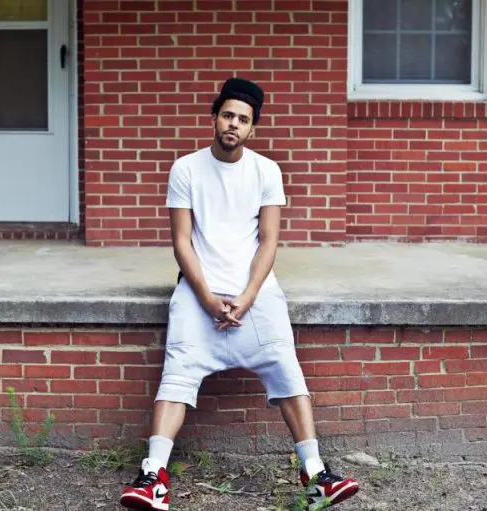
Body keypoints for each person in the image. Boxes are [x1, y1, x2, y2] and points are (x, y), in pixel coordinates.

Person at [119, 77, 360, 511]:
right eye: (227, 115)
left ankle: (316, 476)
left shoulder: (266, 171)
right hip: (199, 292)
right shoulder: (186, 169)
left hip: (255, 292)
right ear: (214, 118)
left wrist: (247, 297)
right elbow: (181, 242)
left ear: (253, 128)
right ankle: (152, 478)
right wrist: (207, 298)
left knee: (286, 368)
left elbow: (269, 242)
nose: (233, 124)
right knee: (176, 376)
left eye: (243, 119)